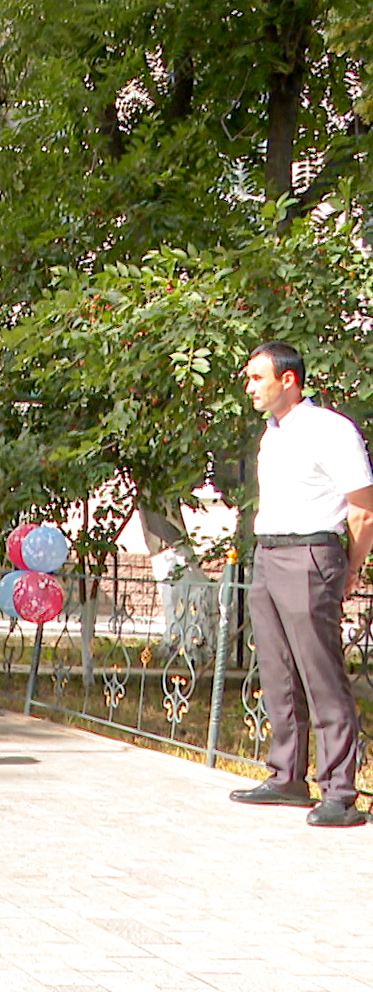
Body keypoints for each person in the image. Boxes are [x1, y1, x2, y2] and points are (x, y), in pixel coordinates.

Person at [231, 342, 373, 828]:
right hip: (268, 555)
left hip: (311, 554)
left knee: (320, 675)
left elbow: (363, 508)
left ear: (287, 379)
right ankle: (287, 776)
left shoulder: (330, 430)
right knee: (278, 672)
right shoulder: (271, 434)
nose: (249, 387)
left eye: (256, 377)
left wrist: (350, 568)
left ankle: (339, 791)